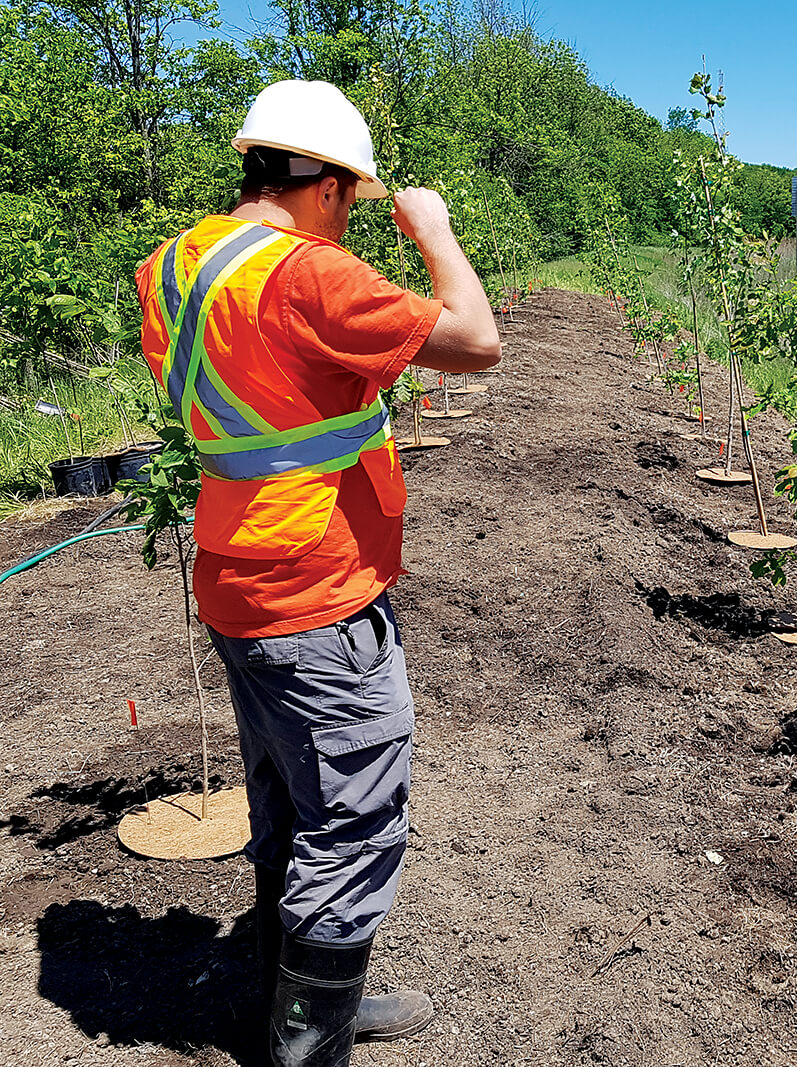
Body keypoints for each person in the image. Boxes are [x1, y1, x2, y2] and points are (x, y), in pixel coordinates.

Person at [135, 79, 501, 1066]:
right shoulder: (311, 278)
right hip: (316, 603)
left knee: (292, 806)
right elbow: (477, 340)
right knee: (352, 827)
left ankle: (302, 1004)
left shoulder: (178, 264)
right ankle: (309, 1046)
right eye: (355, 201)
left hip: (239, 584)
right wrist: (435, 233)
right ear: (332, 187)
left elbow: (274, 383)